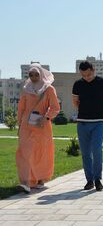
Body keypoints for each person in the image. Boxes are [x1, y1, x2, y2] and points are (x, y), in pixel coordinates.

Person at [16, 63, 60, 193]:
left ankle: (40, 179)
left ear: (41, 74)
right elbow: (21, 108)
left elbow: (55, 107)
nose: (34, 77)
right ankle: (26, 182)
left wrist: (46, 118)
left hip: (42, 126)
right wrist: (19, 124)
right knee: (25, 152)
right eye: (31, 75)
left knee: (41, 153)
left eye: (36, 74)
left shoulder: (49, 89)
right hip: (26, 126)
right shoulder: (26, 89)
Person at [72, 61, 103, 191]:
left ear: (93, 70)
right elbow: (75, 101)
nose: (87, 77)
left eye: (88, 74)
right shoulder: (77, 84)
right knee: (85, 152)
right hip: (83, 122)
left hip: (99, 122)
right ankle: (89, 180)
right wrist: (83, 111)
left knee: (97, 149)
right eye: (84, 75)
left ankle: (97, 179)